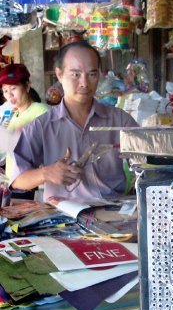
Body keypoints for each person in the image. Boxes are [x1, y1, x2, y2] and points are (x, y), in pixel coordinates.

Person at [9, 41, 138, 201]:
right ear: (59, 74)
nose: (84, 83)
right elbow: (17, 180)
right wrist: (46, 173)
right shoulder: (42, 126)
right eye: (75, 74)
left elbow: (147, 162)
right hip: (64, 218)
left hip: (112, 214)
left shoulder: (119, 120)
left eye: (92, 74)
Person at [0, 64, 49, 197]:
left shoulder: (41, 111)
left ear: (27, 87)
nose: (9, 95)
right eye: (5, 91)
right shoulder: (12, 114)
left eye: (13, 88)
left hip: (31, 184)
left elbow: (48, 148)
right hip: (12, 184)